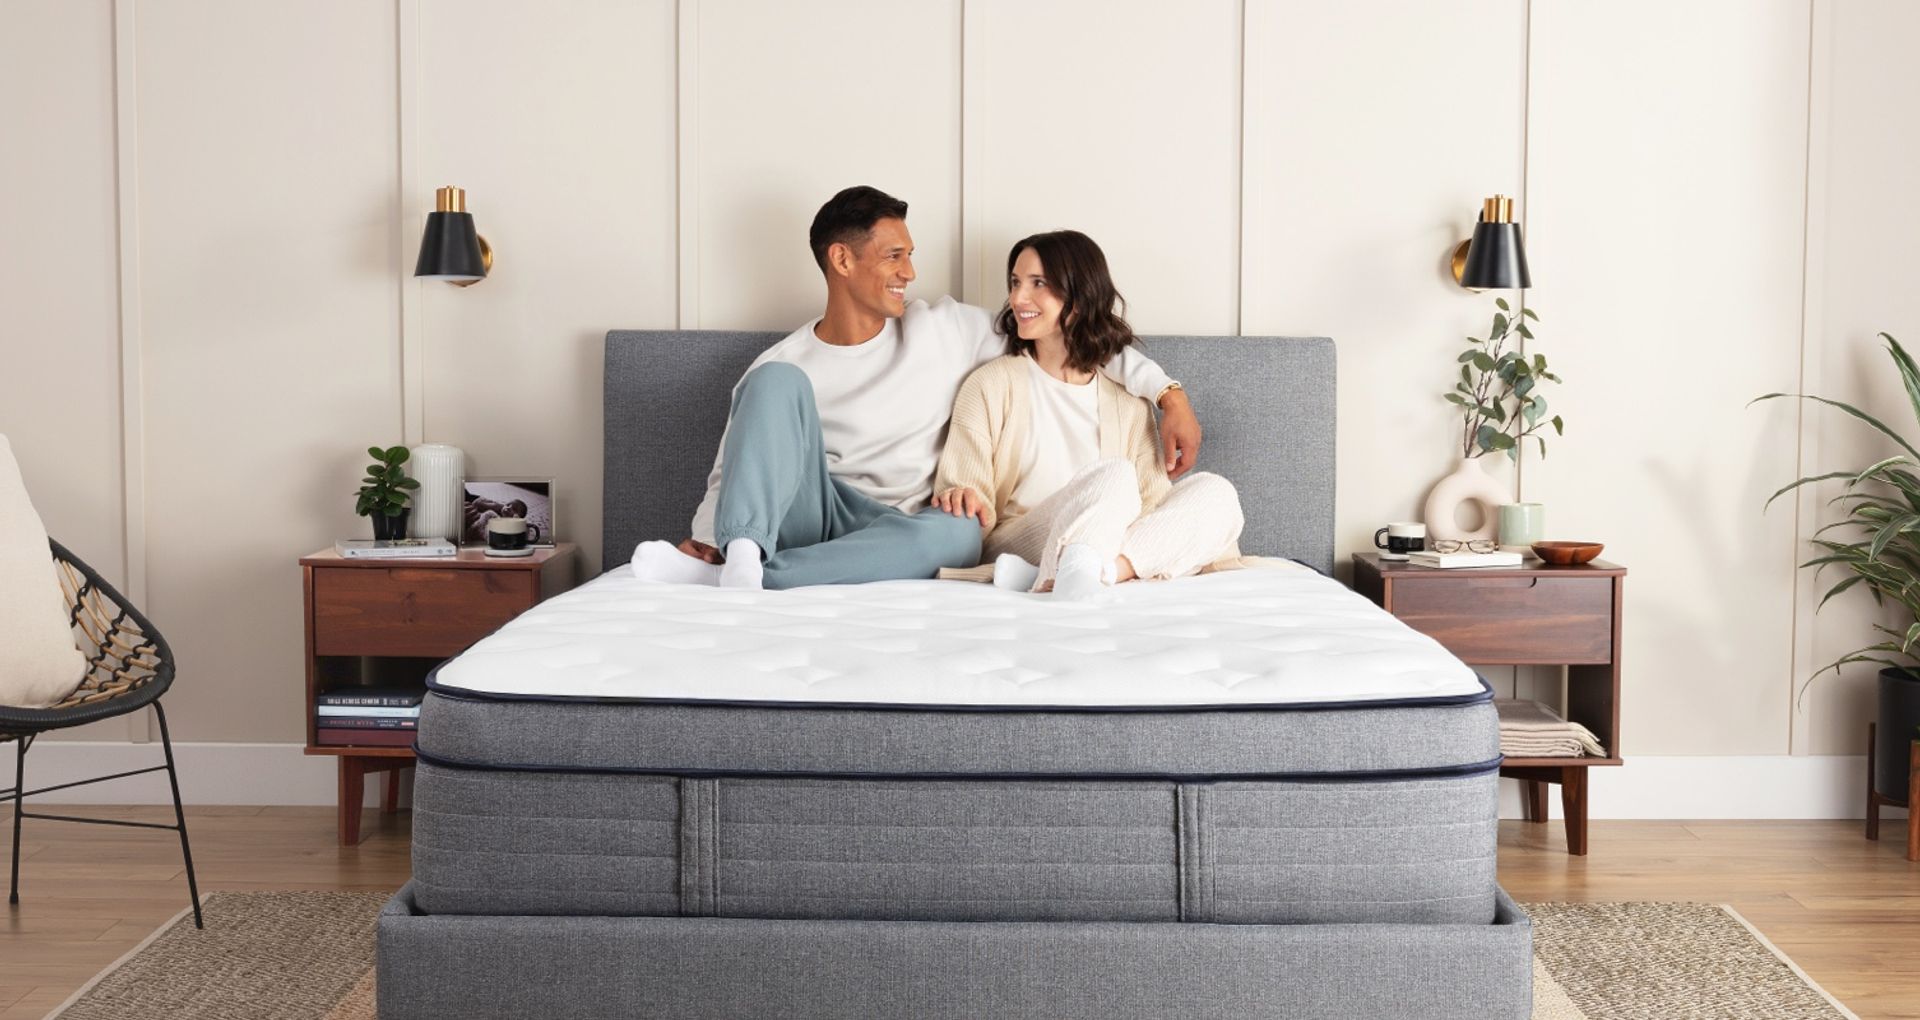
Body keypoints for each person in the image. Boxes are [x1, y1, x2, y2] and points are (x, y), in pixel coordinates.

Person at [631, 186, 1202, 590]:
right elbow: (732, 470)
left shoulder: (946, 329)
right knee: (776, 383)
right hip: (813, 510)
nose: (909, 272)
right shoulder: (782, 362)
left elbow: (1069, 335)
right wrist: (711, 534)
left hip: (904, 527)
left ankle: (743, 577)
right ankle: (740, 554)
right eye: (894, 256)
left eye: (911, 256)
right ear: (842, 260)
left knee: (959, 537)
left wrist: (1167, 394)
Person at [930, 230, 1244, 599]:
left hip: (1107, 536)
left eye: (1037, 283)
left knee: (1218, 493)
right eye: (1015, 283)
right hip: (1022, 538)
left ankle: (1092, 572)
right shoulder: (989, 385)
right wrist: (960, 496)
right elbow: (966, 495)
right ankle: (1085, 567)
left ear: (1078, 298)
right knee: (1114, 474)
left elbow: (1153, 506)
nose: (1017, 298)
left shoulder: (1128, 402)